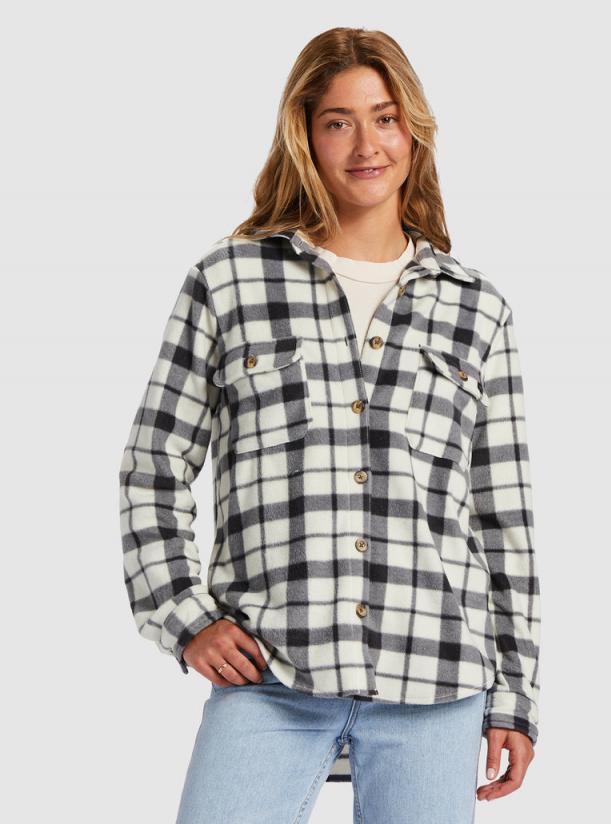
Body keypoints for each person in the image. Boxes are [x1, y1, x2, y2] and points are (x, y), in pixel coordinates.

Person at [118, 26, 541, 824]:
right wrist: (184, 616)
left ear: (414, 132)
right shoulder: (230, 281)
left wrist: (515, 695)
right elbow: (154, 467)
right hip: (271, 673)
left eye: (385, 118)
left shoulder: (476, 308)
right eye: (338, 121)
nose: (366, 145)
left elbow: (502, 518)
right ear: (305, 135)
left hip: (437, 682)